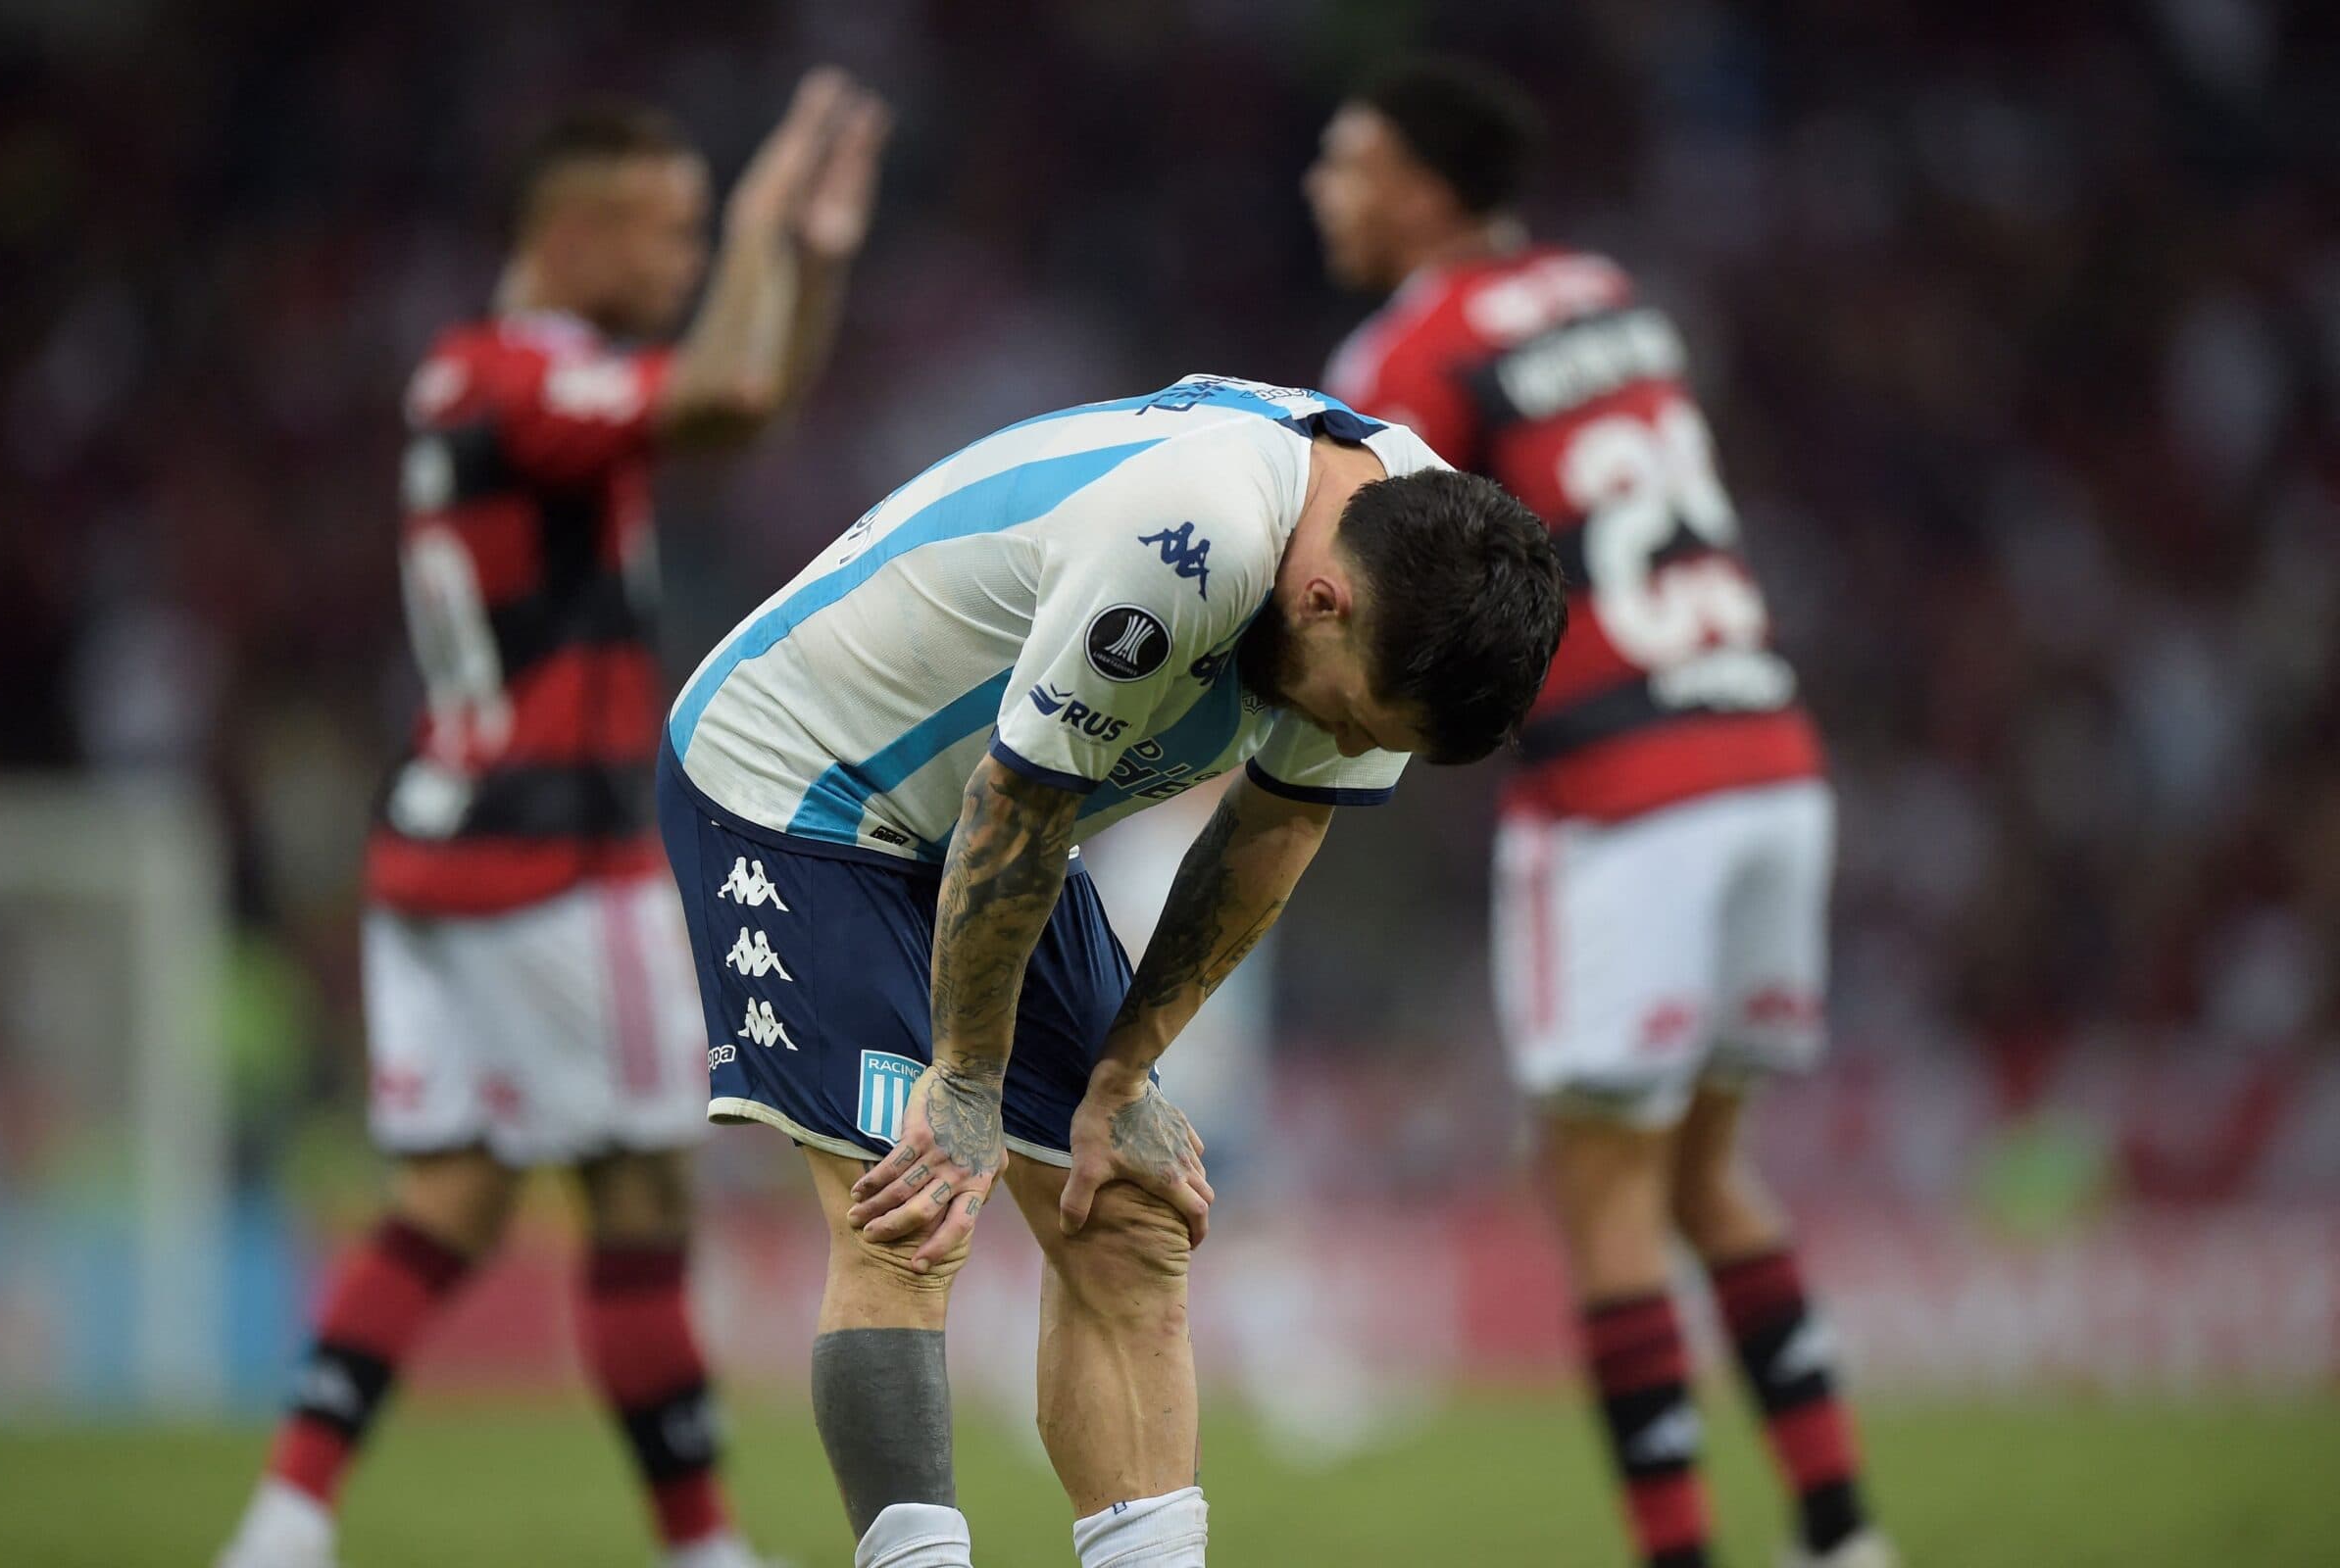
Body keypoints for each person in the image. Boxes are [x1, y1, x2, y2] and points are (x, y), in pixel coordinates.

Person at [658, 372, 1566, 1568]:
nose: (1345, 744)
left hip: (999, 809)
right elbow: (1016, 809)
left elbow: (1274, 828)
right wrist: (970, 1084)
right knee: (911, 1202)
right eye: (1356, 718)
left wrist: (1124, 1073)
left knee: (1130, 1214)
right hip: (805, 782)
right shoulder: (1191, 543)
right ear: (1324, 598)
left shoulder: (1411, 563)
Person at [217, 70, 890, 1568]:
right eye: (670, 234)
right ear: (575, 234)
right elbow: (721, 391)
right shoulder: (515, 373)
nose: (683, 265)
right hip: (558, 861)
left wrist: (815, 264)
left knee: (446, 1196)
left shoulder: (502, 380)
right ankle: (705, 1547)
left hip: (442, 843)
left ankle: (285, 1521)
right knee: (642, 1194)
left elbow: (746, 403)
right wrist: (771, 215)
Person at [1307, 57, 1897, 1568]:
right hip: (1766, 752)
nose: (1324, 189)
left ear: (1426, 193)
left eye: (1350, 162)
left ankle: (1680, 1555)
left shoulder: (1412, 348)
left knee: (1603, 1195)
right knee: (1709, 1172)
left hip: (1620, 798)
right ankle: (1841, 1537)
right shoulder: (1608, 292)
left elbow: (1360, 569)